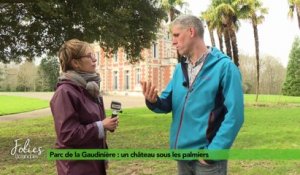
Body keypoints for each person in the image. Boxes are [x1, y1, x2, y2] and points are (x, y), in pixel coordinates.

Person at [140, 15, 244, 175]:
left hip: (207, 161)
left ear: (191, 31)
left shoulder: (225, 68)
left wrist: (213, 153)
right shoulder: (179, 69)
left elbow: (235, 115)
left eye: (176, 35)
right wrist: (153, 101)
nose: (173, 41)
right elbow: (166, 103)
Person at [50, 39, 119, 175]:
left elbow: (96, 123)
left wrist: (107, 125)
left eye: (95, 55)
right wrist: (101, 126)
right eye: (89, 56)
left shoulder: (91, 88)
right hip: (76, 167)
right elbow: (67, 134)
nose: (95, 60)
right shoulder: (65, 92)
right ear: (75, 63)